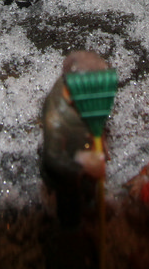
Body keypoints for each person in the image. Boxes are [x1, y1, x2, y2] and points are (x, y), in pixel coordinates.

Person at [41, 51, 109, 227]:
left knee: (90, 195)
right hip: (67, 177)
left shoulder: (88, 102)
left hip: (87, 157)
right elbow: (53, 158)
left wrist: (100, 143)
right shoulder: (56, 118)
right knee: (70, 210)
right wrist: (83, 165)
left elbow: (96, 122)